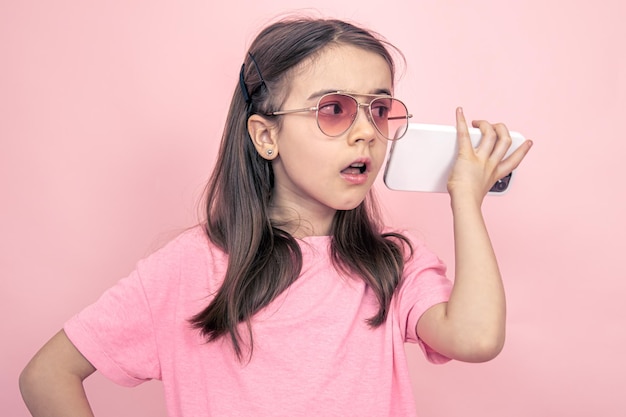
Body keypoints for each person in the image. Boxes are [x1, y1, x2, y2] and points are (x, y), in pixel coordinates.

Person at [19, 16, 532, 417]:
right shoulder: (187, 268)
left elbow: (476, 337)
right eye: (333, 109)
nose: (365, 133)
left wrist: (465, 197)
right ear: (266, 136)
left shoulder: (393, 263)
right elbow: (47, 375)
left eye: (378, 109)